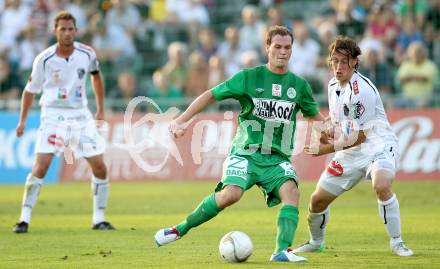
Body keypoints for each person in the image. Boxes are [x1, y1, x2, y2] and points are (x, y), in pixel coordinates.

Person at [154, 26, 325, 263]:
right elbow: (211, 95)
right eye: (277, 47)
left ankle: (281, 252)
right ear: (267, 48)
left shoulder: (299, 85)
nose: (283, 52)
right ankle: (179, 229)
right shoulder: (248, 77)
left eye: (287, 47)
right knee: (230, 195)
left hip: (276, 158)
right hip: (245, 153)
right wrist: (182, 120)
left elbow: (314, 116)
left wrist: (330, 129)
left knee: (291, 192)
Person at [291, 36, 413, 257]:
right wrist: (325, 130)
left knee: (381, 184)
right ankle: (316, 242)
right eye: (334, 61)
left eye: (343, 62)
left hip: (377, 146)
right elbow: (339, 122)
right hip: (349, 152)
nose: (338, 67)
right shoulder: (332, 85)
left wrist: (324, 150)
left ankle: (398, 242)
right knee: (317, 201)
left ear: (355, 62)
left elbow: (360, 137)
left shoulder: (362, 91)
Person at [13, 11, 115, 233]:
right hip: (53, 116)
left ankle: (99, 219)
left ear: (76, 31)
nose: (67, 33)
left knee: (99, 166)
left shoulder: (87, 54)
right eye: (63, 29)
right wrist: (22, 121)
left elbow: (96, 76)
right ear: (55, 31)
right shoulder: (44, 59)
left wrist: (100, 109)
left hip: (80, 116)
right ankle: (24, 219)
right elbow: (29, 91)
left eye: (70, 29)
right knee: (41, 166)